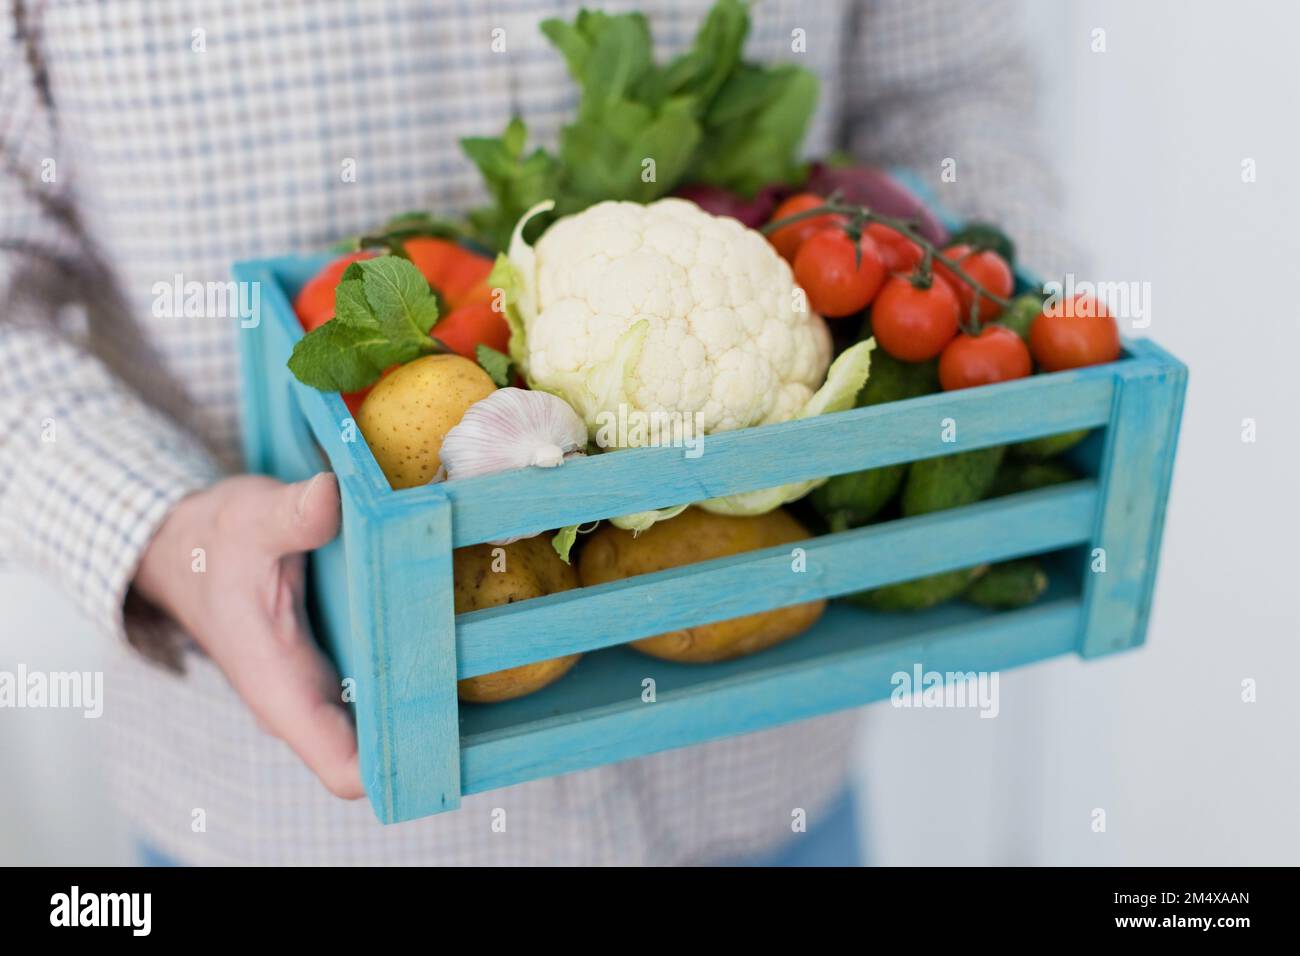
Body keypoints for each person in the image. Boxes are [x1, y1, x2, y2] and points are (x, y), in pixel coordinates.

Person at [0, 0, 1069, 865]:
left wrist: (1005, 302)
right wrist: (163, 530)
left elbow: (947, 87)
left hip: (767, 801)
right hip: (282, 826)